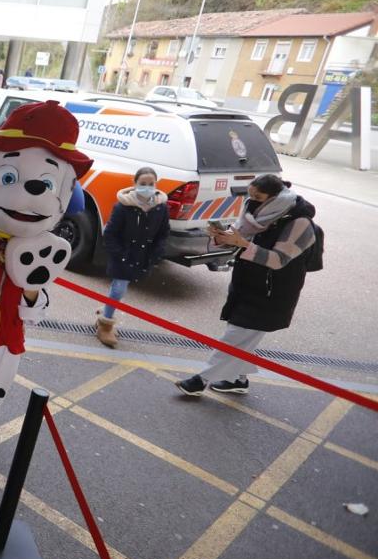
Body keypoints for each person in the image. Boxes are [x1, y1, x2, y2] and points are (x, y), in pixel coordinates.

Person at [176, 175, 318, 396]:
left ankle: (200, 380)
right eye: (250, 195)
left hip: (273, 293)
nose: (251, 200)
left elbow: (278, 260)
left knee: (236, 336)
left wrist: (243, 244)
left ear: (274, 197)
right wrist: (221, 237)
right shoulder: (254, 211)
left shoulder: (300, 223)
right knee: (242, 337)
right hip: (246, 283)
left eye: (258, 197)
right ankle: (238, 379)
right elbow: (238, 236)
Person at [96, 167, 169, 347]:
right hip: (123, 256)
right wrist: (121, 255)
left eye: (151, 184)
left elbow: (163, 233)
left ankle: (105, 312)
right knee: (119, 289)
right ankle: (105, 324)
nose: (147, 187)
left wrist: (155, 254)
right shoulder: (123, 206)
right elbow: (110, 234)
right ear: (135, 184)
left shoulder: (160, 207)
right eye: (143, 183)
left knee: (118, 289)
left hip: (142, 257)